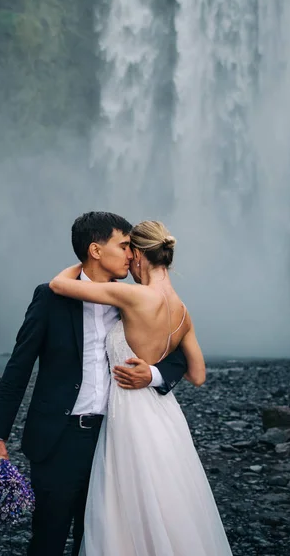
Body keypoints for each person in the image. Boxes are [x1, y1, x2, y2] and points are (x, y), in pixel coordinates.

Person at [0, 212, 189, 556]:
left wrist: (152, 375)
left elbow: (178, 353)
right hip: (57, 439)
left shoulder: (134, 301)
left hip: (116, 436)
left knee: (101, 539)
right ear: (95, 249)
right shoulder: (50, 297)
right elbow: (19, 367)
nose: (132, 254)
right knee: (48, 537)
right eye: (124, 246)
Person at [49, 220, 233, 556]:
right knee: (168, 499)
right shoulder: (182, 311)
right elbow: (198, 374)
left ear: (138, 256)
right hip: (165, 418)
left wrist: (87, 259)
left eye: (127, 252)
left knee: (125, 502)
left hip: (129, 416)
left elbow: (59, 285)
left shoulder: (133, 296)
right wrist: (154, 373)